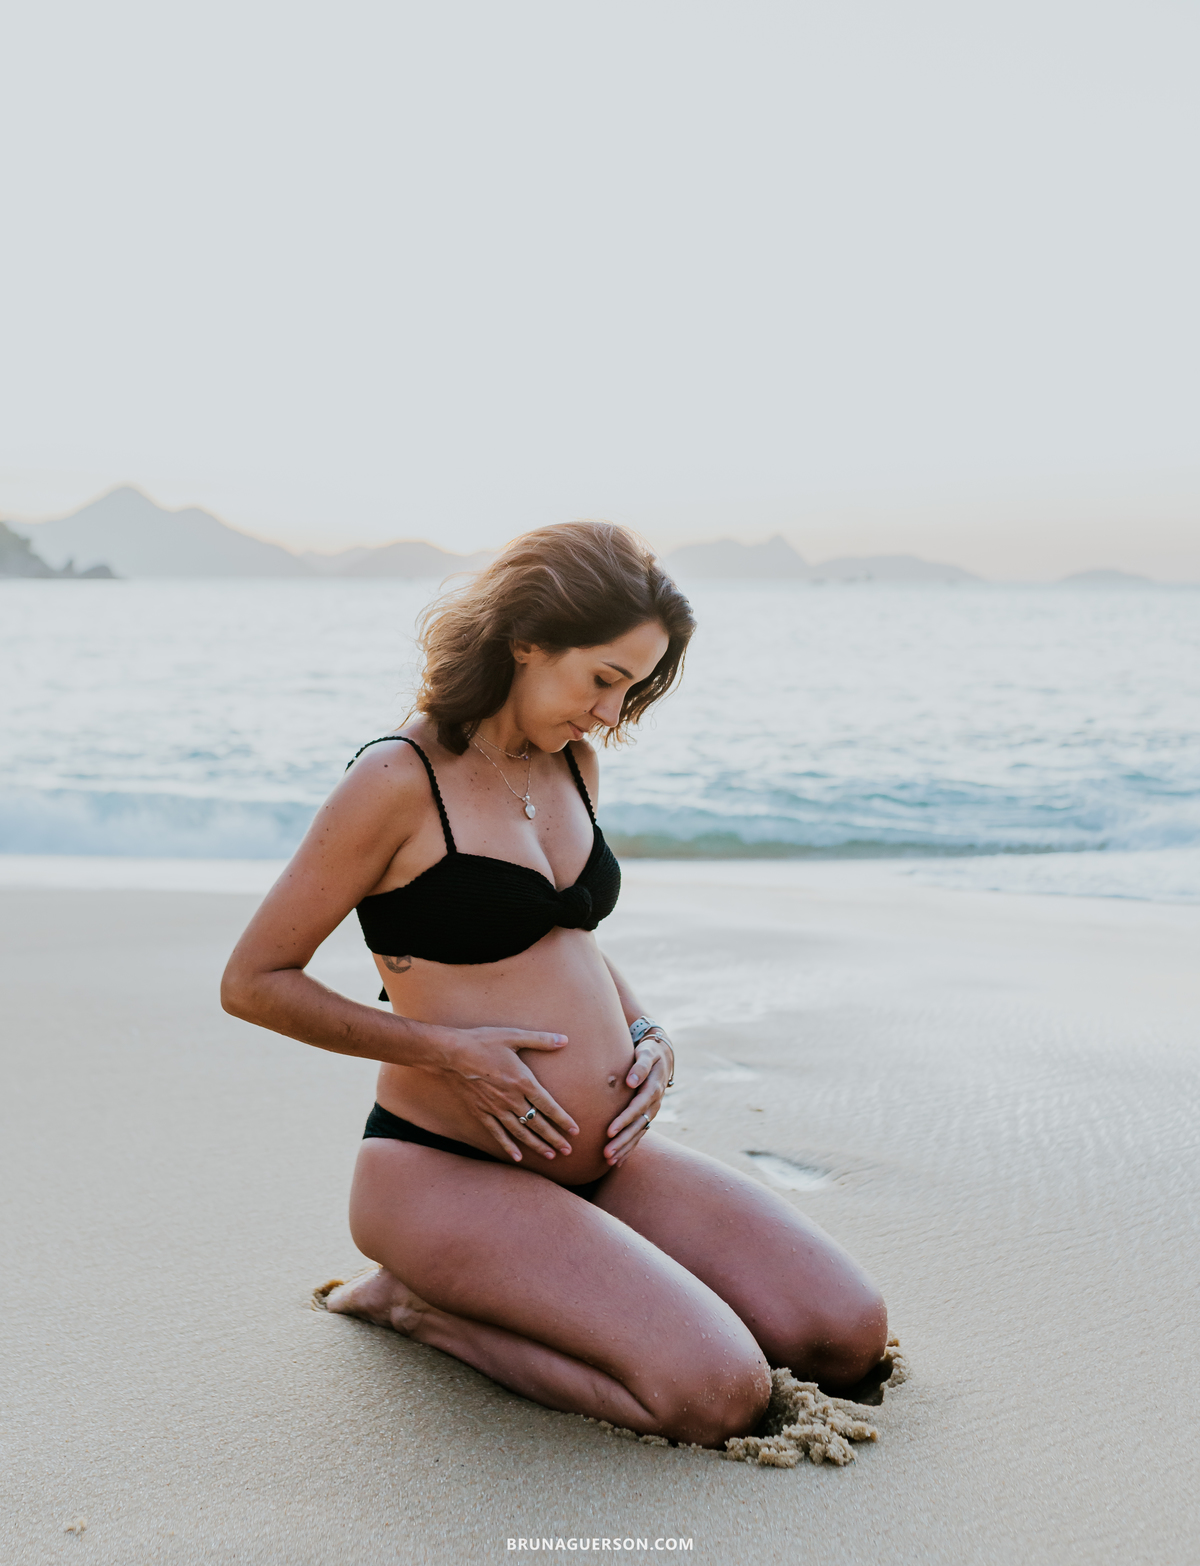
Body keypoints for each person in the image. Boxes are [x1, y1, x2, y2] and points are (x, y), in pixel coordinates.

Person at [221, 522, 887, 1446]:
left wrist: (645, 1028)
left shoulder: (574, 761)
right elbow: (253, 981)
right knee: (715, 1395)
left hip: (599, 1165)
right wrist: (448, 1054)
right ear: (526, 639)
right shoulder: (398, 779)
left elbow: (559, 933)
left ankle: (567, 1268)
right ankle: (418, 1307)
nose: (612, 713)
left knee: (846, 1337)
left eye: (636, 688)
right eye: (605, 679)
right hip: (444, 1171)